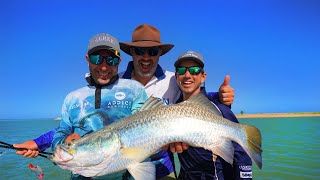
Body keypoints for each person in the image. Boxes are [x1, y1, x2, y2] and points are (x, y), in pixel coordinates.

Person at [119, 24, 235, 179]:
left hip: (163, 168)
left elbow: (196, 97)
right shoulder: (117, 82)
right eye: (140, 51)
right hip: (117, 165)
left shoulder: (173, 79)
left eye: (153, 51)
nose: (146, 57)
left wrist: (220, 97)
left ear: (160, 53)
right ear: (131, 52)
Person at [50, 33, 149, 179]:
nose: (104, 67)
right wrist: (64, 141)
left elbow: (146, 128)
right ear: (87, 59)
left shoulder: (134, 90)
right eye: (97, 59)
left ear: (119, 61)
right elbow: (61, 132)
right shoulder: (72, 98)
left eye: (111, 60)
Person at [173, 50, 252, 180]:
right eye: (181, 70)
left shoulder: (218, 105)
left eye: (194, 70)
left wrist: (244, 177)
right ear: (176, 76)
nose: (187, 75)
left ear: (203, 76)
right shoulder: (174, 108)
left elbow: (240, 147)